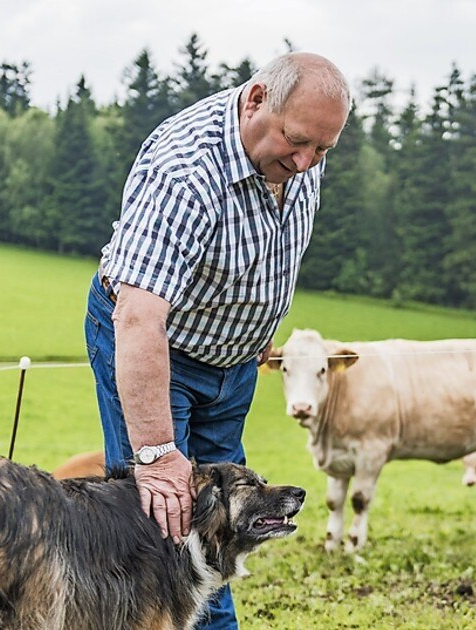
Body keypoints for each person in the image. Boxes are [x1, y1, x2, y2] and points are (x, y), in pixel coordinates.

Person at [84, 52, 350, 629]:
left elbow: (268, 247)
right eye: (297, 141)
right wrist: (154, 457)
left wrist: (253, 329)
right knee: (167, 518)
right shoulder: (187, 171)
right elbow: (138, 317)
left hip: (232, 360)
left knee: (224, 519)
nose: (306, 163)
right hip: (157, 350)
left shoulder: (299, 151)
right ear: (256, 101)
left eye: (323, 151)